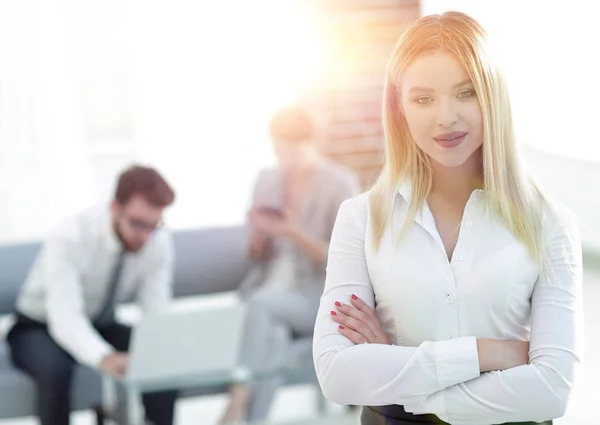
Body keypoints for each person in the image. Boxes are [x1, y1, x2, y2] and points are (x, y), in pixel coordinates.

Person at [313, 11, 583, 425]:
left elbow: (551, 391)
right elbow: (336, 375)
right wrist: (488, 353)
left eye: (466, 92)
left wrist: (394, 370)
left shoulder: (549, 222)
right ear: (399, 108)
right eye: (422, 98)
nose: (445, 117)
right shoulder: (361, 218)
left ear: (493, 96)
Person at [219, 106, 360, 424]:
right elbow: (254, 255)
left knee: (259, 307)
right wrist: (258, 233)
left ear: (314, 143)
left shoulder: (339, 184)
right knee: (272, 335)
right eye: (280, 151)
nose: (287, 161)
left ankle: (237, 398)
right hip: (268, 288)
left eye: (295, 152)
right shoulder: (266, 180)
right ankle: (251, 418)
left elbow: (346, 259)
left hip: (315, 295)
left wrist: (293, 232)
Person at [7, 165, 178, 425]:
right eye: (138, 224)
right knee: (55, 371)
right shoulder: (70, 236)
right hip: (38, 326)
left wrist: (163, 346)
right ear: (115, 208)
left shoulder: (157, 241)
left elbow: (156, 309)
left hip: (100, 322)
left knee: (161, 358)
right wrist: (104, 356)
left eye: (153, 225)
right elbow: (64, 316)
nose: (145, 235)